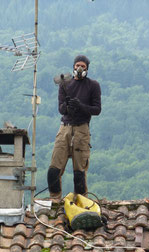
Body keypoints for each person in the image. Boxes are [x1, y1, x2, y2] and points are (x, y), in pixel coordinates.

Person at [47, 55, 101, 202]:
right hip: (65, 128)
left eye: (83, 66)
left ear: (87, 69)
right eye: (78, 65)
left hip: (82, 129)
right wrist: (68, 107)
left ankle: (81, 201)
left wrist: (81, 106)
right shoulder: (65, 84)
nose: (80, 68)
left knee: (79, 172)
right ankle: (55, 200)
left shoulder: (93, 85)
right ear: (73, 66)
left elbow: (97, 109)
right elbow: (61, 109)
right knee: (54, 170)